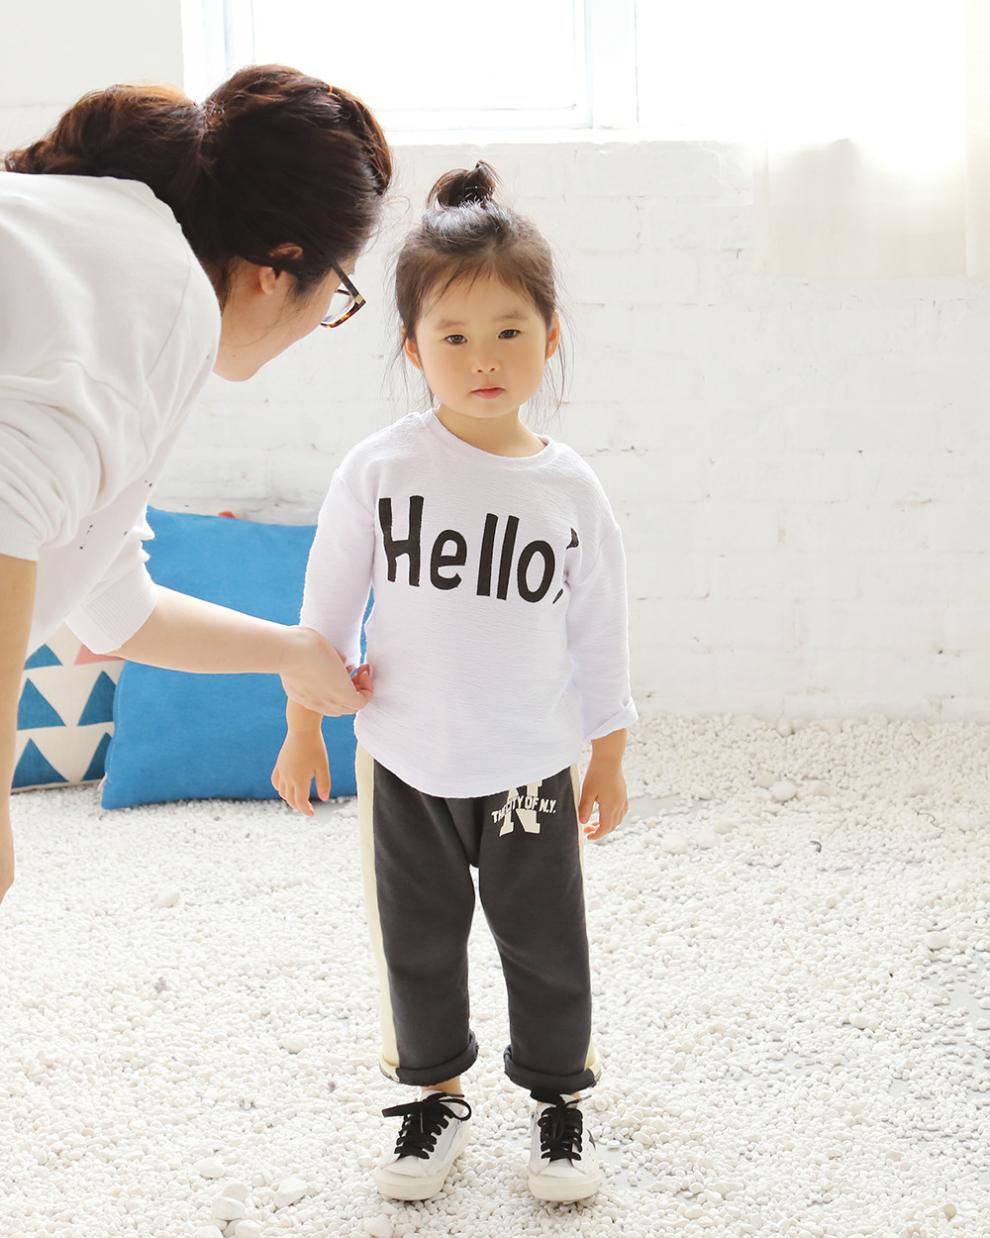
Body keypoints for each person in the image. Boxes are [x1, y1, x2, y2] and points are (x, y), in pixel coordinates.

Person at [272, 161, 638, 1204]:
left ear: (550, 336)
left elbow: (601, 630)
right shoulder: (380, 469)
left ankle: (559, 1106)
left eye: (510, 331)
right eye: (456, 336)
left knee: (546, 945)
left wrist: (608, 751)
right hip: (406, 762)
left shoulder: (569, 489)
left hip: (529, 766)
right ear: (413, 346)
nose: (484, 358)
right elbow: (324, 612)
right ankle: (433, 1098)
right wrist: (303, 724)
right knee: (417, 943)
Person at [0, 65, 394, 906]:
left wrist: (292, 651)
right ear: (279, 266)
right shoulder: (161, 294)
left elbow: (117, 605)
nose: (327, 316)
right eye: (341, 291)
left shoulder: (111, 250)